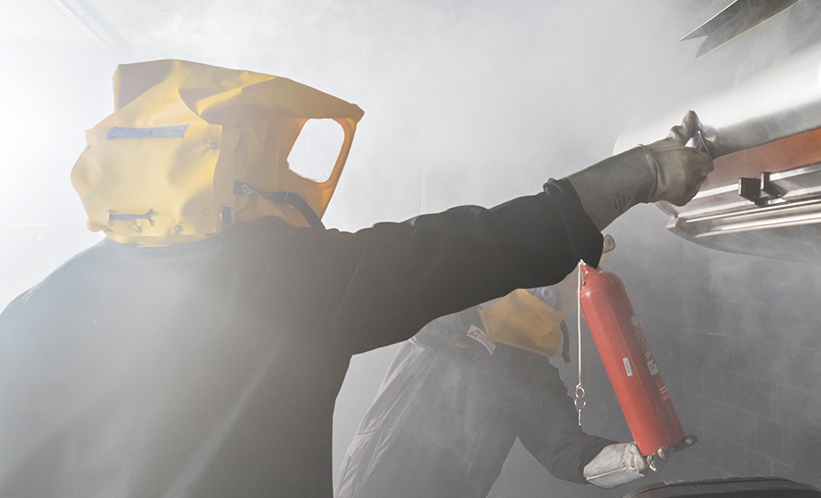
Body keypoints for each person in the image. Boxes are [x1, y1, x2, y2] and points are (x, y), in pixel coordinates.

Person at [0, 59, 712, 497]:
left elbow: (569, 453)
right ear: (228, 167)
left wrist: (634, 456)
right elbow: (474, 249)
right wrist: (642, 172)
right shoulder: (287, 282)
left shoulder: (33, 310)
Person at [335, 271, 652, 498]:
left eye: (554, 294)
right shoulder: (453, 314)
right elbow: (421, 317)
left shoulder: (530, 375)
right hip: (380, 476)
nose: (548, 295)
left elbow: (567, 450)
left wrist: (630, 458)